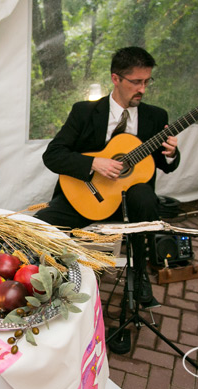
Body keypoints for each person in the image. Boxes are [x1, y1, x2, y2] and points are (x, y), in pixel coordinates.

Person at [34, 46, 180, 311]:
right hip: (85, 194)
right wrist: (93, 163)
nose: (143, 89)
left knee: (145, 197)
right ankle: (51, 283)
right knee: (38, 226)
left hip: (133, 204)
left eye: (147, 81)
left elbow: (163, 165)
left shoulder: (155, 117)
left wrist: (171, 153)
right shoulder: (84, 112)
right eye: (136, 82)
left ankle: (138, 276)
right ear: (116, 79)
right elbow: (52, 155)